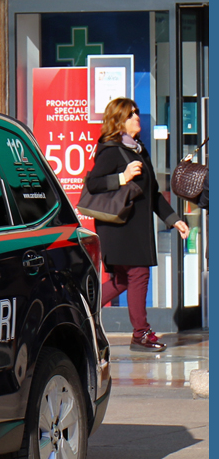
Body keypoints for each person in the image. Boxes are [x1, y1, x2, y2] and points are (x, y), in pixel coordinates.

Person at [84, 97, 189, 352]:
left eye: (137, 112)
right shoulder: (110, 149)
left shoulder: (139, 150)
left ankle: (81, 312)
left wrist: (174, 220)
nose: (136, 117)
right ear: (119, 121)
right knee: (138, 274)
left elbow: (152, 193)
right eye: (131, 114)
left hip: (133, 229)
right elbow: (93, 183)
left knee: (122, 280)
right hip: (119, 228)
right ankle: (140, 334)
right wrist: (122, 176)